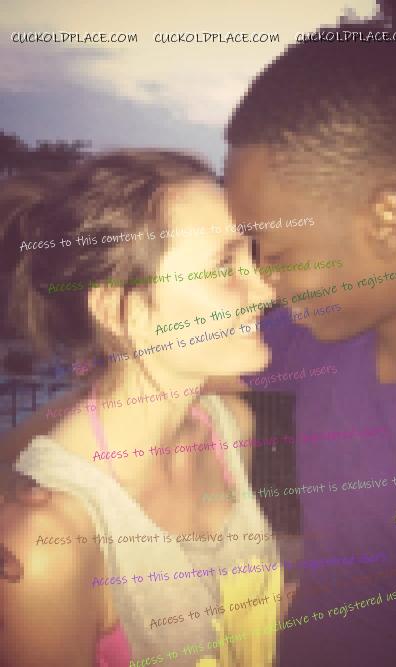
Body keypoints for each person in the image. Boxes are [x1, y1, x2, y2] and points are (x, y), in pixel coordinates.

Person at [222, 21, 396, 667]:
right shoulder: (324, 333)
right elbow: (155, 369)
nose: (262, 281)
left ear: (385, 221)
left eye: (276, 253)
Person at [0, 150, 284, 666]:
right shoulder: (49, 544)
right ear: (121, 310)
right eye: (225, 266)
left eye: (252, 254)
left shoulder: (227, 429)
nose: (267, 287)